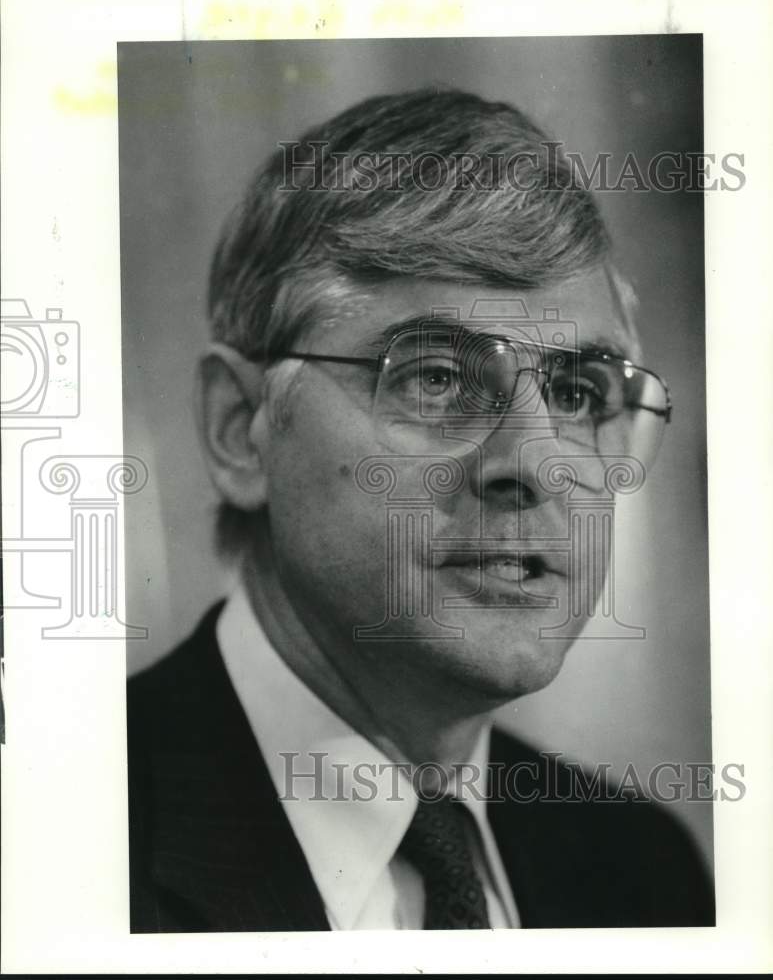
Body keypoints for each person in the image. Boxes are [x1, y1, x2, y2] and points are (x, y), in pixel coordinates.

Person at [127, 88, 714, 931]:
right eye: (435, 378)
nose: (533, 466)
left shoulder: (643, 871)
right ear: (240, 431)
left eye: (579, 393)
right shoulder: (57, 838)